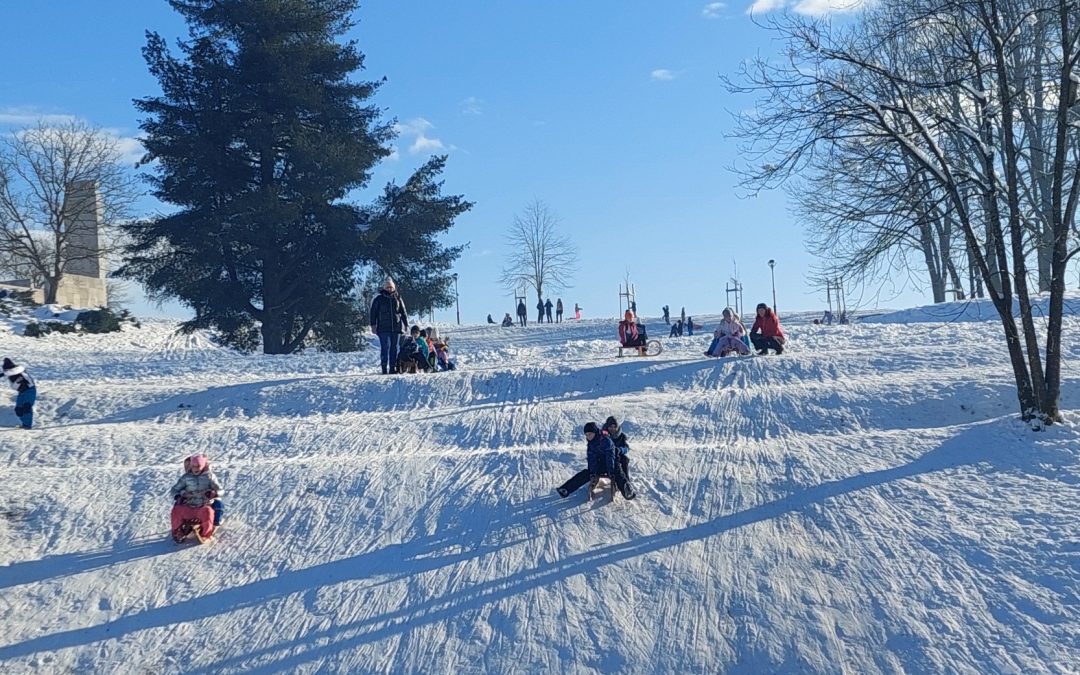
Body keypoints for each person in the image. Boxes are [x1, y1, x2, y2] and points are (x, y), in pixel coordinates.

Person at [555, 422, 635, 500]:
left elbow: (610, 457)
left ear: (594, 432)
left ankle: (627, 491)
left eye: (590, 434)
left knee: (618, 473)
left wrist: (611, 471)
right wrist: (592, 471)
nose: (588, 436)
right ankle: (566, 489)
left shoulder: (605, 440)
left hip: (612, 463)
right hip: (600, 465)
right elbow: (591, 458)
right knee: (586, 473)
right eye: (586, 435)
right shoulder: (590, 443)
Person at [170, 453, 224, 542]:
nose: (196, 469)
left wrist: (214, 493)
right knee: (176, 510)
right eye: (193, 466)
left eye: (198, 466)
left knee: (208, 512)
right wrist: (178, 496)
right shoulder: (186, 478)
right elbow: (174, 489)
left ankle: (205, 534)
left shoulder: (209, 477)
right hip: (189, 505)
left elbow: (221, 490)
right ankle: (177, 531)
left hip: (203, 505)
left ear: (203, 465)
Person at [369, 276, 409, 375]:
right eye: (387, 287)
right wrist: (373, 325)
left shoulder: (398, 298)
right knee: (385, 347)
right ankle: (384, 367)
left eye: (391, 287)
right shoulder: (379, 299)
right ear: (384, 288)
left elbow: (403, 312)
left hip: (396, 327)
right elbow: (373, 312)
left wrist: (406, 324)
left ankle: (392, 367)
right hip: (383, 328)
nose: (389, 289)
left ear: (394, 287)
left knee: (394, 348)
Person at [3, 358, 36, 430]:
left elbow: (12, 371)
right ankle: (24, 424)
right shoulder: (10, 375)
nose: (6, 371)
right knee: (18, 409)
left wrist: (3, 374)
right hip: (21, 392)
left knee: (26, 407)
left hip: (30, 390)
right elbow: (13, 384)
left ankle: (28, 425)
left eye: (7, 369)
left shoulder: (19, 369)